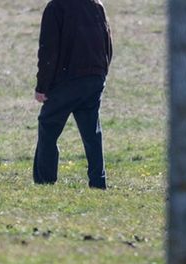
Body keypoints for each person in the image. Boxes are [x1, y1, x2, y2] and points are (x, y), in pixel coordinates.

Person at [33, 0, 113, 190]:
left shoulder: (56, 7)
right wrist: (101, 73)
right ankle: (98, 181)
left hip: (67, 80)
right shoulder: (96, 5)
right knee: (91, 132)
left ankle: (45, 180)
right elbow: (107, 41)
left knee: (48, 124)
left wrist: (42, 86)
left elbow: (48, 50)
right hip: (94, 77)